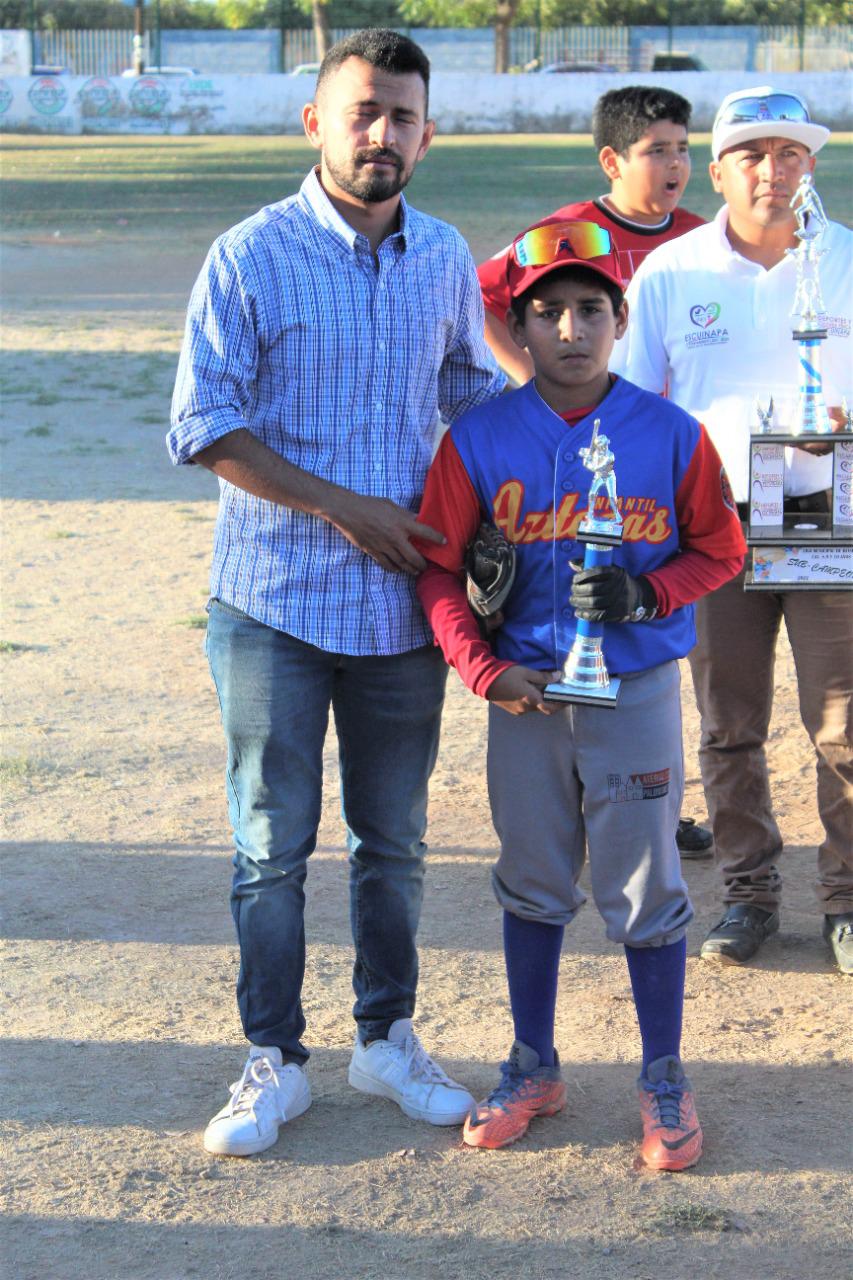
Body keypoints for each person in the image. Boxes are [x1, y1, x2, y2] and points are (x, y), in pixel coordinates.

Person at [168, 29, 505, 1158]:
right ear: (316, 121)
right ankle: (273, 1056)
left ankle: (385, 1037)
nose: (382, 134)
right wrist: (344, 507)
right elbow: (204, 423)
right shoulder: (250, 255)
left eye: (402, 116)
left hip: (403, 609)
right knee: (270, 844)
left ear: (427, 134)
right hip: (271, 601)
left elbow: (470, 395)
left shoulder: (443, 255)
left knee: (393, 842)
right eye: (363, 112)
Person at [414, 219, 745, 1167]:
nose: (569, 329)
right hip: (526, 696)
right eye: (547, 311)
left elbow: (720, 548)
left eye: (589, 309)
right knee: (531, 880)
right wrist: (482, 669)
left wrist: (647, 593)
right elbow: (436, 569)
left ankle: (663, 1075)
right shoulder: (478, 439)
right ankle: (532, 1065)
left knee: (646, 887)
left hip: (631, 691)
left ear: (618, 320)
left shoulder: (668, 432)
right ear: (516, 328)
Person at [613, 86, 853, 974]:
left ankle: (845, 900)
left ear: (810, 167)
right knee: (728, 722)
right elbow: (631, 403)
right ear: (715, 172)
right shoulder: (671, 272)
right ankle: (749, 894)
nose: (771, 171)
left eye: (789, 154)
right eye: (750, 154)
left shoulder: (845, 260)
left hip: (824, 513)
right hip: (712, 525)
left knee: (843, 725)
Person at [477, 83, 712, 860]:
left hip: (659, 463)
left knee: (662, 631)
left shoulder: (696, 238)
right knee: (578, 609)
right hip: (582, 462)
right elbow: (486, 295)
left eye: (683, 149)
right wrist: (530, 381)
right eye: (656, 150)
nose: (675, 165)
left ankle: (659, 791)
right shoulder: (569, 235)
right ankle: (572, 782)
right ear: (612, 161)